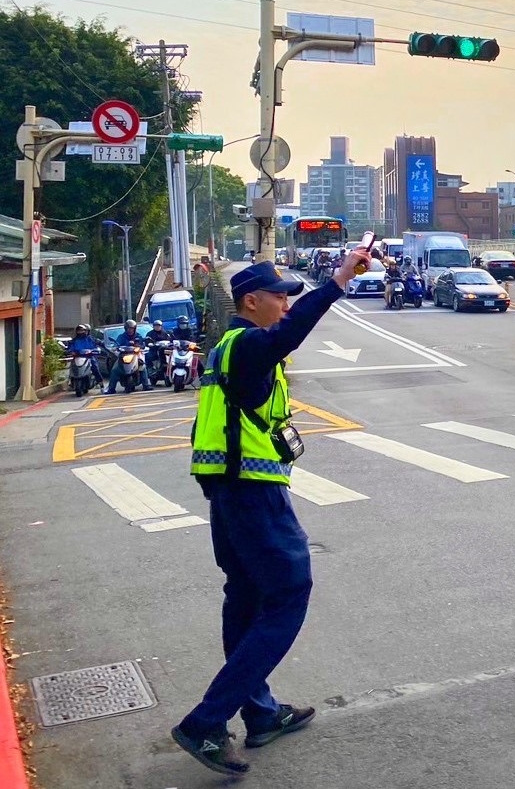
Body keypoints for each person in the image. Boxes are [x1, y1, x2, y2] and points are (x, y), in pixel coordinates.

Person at [172, 249, 368, 776]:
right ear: (251, 301)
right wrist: (338, 281)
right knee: (287, 594)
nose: (286, 304)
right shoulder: (249, 346)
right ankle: (206, 721)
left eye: (288, 297)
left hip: (230, 491)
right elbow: (289, 334)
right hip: (253, 492)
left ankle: (260, 713)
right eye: (279, 296)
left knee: (247, 599)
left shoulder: (232, 349)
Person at [103, 319, 151, 393]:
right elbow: (116, 344)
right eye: (129, 328)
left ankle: (146, 385)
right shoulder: (121, 336)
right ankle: (111, 388)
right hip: (123, 356)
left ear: (134, 329)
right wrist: (116, 347)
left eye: (132, 328)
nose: (130, 330)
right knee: (115, 370)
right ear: (126, 328)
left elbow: (142, 344)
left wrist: (141, 346)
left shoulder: (138, 336)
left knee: (142, 366)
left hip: (135, 356)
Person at [66, 324, 105, 389]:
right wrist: (69, 351)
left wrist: (95, 350)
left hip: (89, 357)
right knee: (72, 368)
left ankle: (101, 384)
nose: (80, 332)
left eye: (82, 331)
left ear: (86, 331)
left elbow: (96, 345)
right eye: (79, 331)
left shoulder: (90, 339)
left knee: (95, 368)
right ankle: (70, 381)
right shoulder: (74, 340)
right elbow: (70, 347)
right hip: (77, 357)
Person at [146, 320, 174, 386]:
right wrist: (149, 343)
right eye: (156, 326)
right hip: (154, 350)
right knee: (148, 355)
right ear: (153, 326)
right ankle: (151, 369)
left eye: (159, 326)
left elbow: (170, 339)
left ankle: (169, 367)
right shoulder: (150, 333)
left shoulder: (165, 333)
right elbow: (147, 340)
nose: (157, 327)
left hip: (164, 350)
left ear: (161, 326)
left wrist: (172, 343)